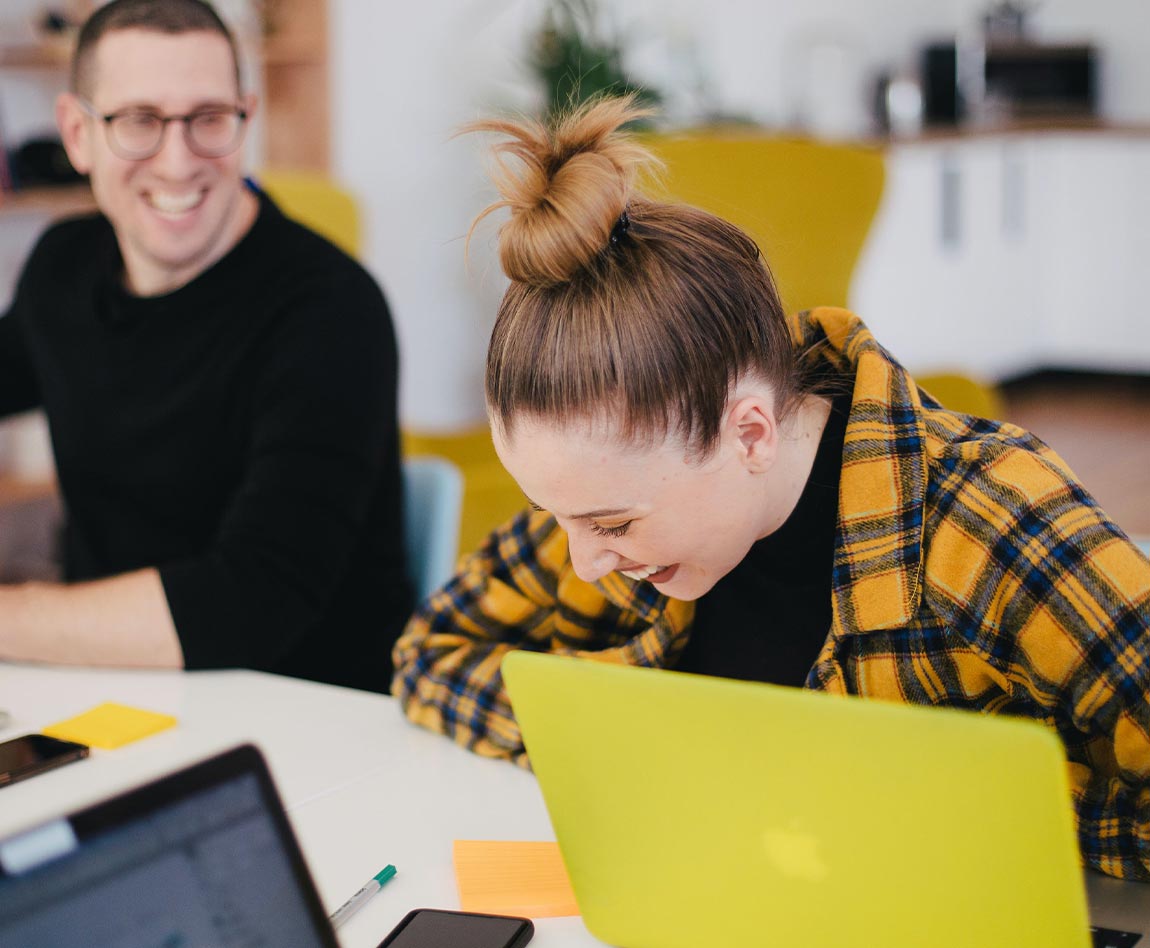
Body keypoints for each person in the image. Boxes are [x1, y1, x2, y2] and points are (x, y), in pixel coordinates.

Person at [393, 96, 1150, 880]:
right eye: (560, 516)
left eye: (611, 523)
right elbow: (431, 655)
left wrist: (971, 801)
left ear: (749, 432)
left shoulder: (990, 520)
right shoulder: (614, 501)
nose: (583, 560)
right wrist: (632, 737)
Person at [0, 0, 411, 692]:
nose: (178, 160)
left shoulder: (331, 310)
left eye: (209, 119)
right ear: (77, 133)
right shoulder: (64, 268)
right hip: (108, 692)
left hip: (303, 720)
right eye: (139, 121)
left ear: (245, 118)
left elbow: (250, 602)